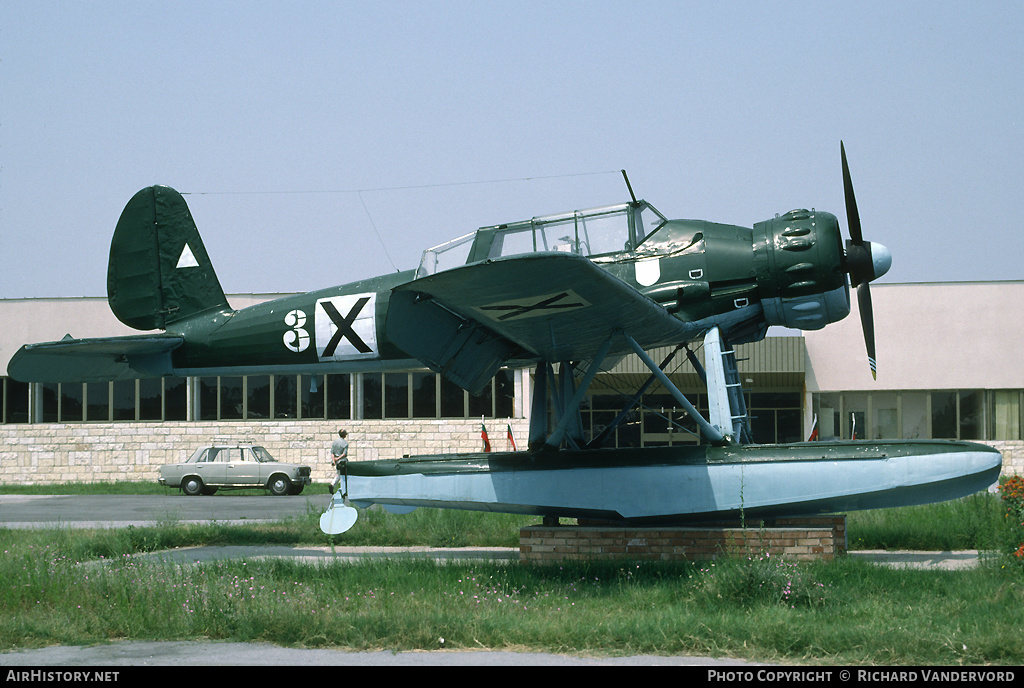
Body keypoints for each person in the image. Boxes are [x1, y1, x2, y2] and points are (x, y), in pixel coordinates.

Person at [329, 429, 349, 494]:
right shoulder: (345, 443)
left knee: (339, 474)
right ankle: (344, 490)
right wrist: (338, 459)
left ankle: (332, 485)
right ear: (344, 435)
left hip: (337, 462)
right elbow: (344, 454)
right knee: (344, 476)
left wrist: (334, 460)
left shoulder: (335, 442)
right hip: (342, 461)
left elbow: (332, 452)